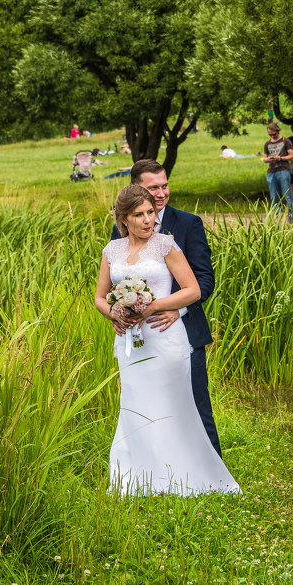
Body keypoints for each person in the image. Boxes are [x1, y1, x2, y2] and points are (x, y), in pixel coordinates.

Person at [98, 183, 240, 496]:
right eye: (139, 214)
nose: (148, 219)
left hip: (165, 337)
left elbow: (193, 289)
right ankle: (141, 478)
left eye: (150, 212)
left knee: (173, 405)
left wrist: (154, 305)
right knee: (135, 404)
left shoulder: (166, 246)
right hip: (131, 343)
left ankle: (183, 477)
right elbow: (99, 297)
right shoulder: (112, 251)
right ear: (124, 219)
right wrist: (114, 312)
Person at [110, 159, 223, 457]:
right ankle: (156, 467)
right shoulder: (121, 229)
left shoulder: (187, 224)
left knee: (195, 404)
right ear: (136, 189)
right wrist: (118, 310)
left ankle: (210, 466)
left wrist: (177, 309)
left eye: (165, 185)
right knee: (145, 403)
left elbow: (204, 281)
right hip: (138, 338)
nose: (160, 194)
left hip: (183, 331)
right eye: (153, 188)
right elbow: (118, 274)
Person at [261, 123, 293, 223]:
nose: (272, 136)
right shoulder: (267, 144)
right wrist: (267, 159)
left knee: (287, 196)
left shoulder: (286, 141)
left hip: (283, 170)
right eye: (270, 135)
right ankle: (276, 221)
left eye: (274, 134)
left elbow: (292, 156)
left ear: (277, 131)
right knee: (273, 197)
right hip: (271, 172)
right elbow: (265, 158)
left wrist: (280, 158)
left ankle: (291, 221)